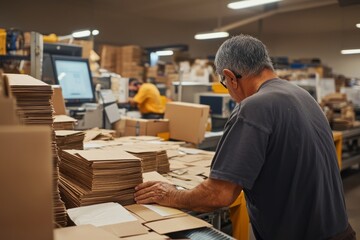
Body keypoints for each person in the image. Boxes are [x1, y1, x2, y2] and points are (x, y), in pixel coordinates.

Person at [134, 34, 356, 239]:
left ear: (230, 77)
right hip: (340, 232)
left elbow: (218, 194)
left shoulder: (254, 107)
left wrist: (172, 195)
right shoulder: (302, 95)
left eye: (224, 83)